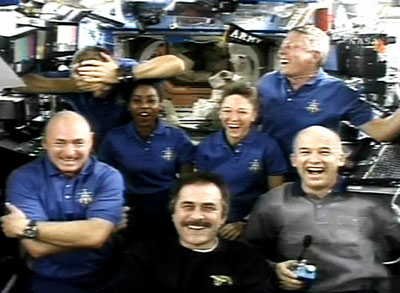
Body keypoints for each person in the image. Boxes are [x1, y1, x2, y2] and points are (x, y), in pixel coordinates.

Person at [244, 125, 400, 292]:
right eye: (305, 152)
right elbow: (247, 254)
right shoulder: (273, 202)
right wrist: (275, 269)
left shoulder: (373, 201)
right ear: (294, 160)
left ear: (341, 159)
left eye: (324, 152)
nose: (314, 159)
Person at [1, 111, 124, 293]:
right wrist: (101, 230)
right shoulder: (22, 178)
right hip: (48, 283)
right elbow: (36, 248)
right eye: (60, 143)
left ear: (91, 141)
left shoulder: (109, 177)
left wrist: (27, 228)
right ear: (45, 143)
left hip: (106, 280)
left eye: (78, 142)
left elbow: (96, 235)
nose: (69, 152)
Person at [258, 25, 400, 170]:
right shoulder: (267, 82)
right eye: (284, 46)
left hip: (314, 175)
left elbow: (382, 131)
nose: (282, 51)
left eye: (293, 47)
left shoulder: (338, 91)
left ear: (315, 56)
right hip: (269, 174)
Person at [121, 171, 276, 293]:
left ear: (223, 216)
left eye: (208, 207)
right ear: (173, 214)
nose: (196, 216)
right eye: (188, 206)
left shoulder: (249, 261)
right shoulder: (142, 258)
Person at [18, 45, 186, 146]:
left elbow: (175, 64)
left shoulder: (123, 70)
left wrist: (121, 74)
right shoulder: (76, 80)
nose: (98, 90)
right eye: (90, 82)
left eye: (101, 79)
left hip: (139, 145)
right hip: (101, 148)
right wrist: (74, 85)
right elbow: (20, 82)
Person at [97, 80, 194, 243]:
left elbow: (187, 179)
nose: (144, 106)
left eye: (151, 100)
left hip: (166, 208)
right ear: (128, 105)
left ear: (160, 105)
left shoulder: (177, 137)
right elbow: (103, 180)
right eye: (137, 101)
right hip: (128, 209)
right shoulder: (114, 138)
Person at [195, 81, 288, 240]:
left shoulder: (269, 147)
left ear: (254, 115)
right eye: (227, 111)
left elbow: (275, 197)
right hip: (214, 224)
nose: (233, 118)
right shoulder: (206, 147)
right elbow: (200, 193)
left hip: (255, 224)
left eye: (242, 112)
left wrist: (246, 223)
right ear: (220, 113)